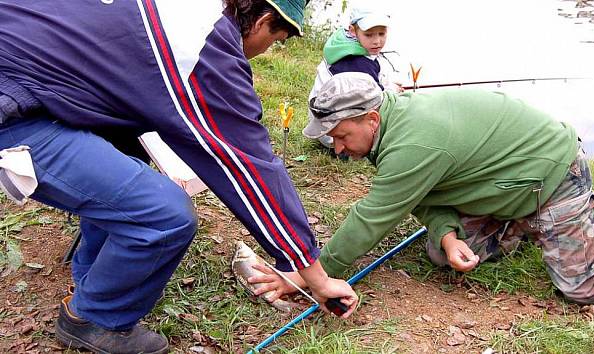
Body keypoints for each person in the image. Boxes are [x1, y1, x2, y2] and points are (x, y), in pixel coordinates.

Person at [0, 1, 358, 352]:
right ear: (264, 20)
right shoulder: (205, 44)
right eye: (276, 42)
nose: (266, 51)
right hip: (13, 108)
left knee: (126, 153)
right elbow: (249, 165)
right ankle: (94, 318)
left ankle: (95, 275)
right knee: (164, 215)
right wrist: (317, 278)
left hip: (26, 75)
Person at [249, 72, 594, 307]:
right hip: (504, 183)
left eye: (342, 136)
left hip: (552, 174)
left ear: (371, 118)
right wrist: (448, 236)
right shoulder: (387, 130)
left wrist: (305, 276)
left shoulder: (413, 144)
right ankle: (523, 223)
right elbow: (425, 192)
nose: (339, 149)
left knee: (585, 287)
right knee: (439, 251)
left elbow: (370, 219)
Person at [305, 5, 404, 148]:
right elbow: (377, 100)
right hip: (332, 132)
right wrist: (392, 91)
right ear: (353, 31)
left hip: (321, 121)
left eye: (382, 34)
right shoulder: (356, 61)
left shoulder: (342, 45)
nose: (377, 41)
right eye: (369, 35)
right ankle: (347, 147)